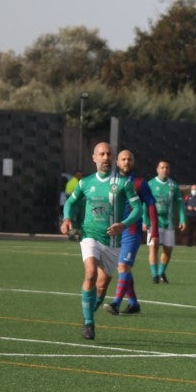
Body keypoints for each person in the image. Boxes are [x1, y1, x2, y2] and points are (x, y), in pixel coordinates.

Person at [60, 143, 142, 340]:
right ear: (94, 157)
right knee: (90, 273)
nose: (105, 157)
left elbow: (138, 209)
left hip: (113, 243)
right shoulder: (85, 183)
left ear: (113, 159)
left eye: (108, 154)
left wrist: (123, 224)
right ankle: (89, 323)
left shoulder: (123, 183)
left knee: (102, 287)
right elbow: (70, 202)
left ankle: (89, 312)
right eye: (102, 154)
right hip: (90, 236)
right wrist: (67, 218)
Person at [105, 150, 157, 316]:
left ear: (133, 162)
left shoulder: (141, 183)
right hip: (113, 232)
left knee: (123, 266)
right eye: (123, 159)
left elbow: (150, 205)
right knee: (124, 268)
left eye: (129, 159)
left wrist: (154, 231)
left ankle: (116, 303)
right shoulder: (109, 182)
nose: (126, 161)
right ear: (117, 162)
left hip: (132, 231)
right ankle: (133, 303)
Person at [146, 160, 186, 283]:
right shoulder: (150, 184)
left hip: (169, 223)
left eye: (167, 167)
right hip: (154, 223)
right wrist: (144, 220)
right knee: (153, 248)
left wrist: (183, 219)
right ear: (157, 169)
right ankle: (155, 276)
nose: (165, 170)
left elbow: (180, 203)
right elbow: (144, 204)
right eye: (162, 167)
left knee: (168, 250)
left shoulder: (173, 185)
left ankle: (161, 272)